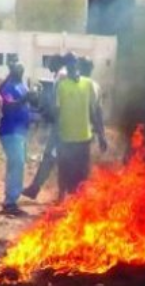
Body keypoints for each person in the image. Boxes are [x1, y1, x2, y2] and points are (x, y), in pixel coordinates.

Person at [55, 52, 107, 200]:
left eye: (75, 61)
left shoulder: (88, 84)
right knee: (64, 170)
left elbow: (94, 111)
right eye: (69, 62)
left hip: (84, 137)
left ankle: (78, 202)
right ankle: (61, 197)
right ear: (66, 65)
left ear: (78, 64)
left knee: (82, 174)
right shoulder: (61, 86)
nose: (72, 64)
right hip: (65, 138)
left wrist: (101, 135)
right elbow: (57, 112)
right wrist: (56, 135)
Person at [22, 54, 66, 200]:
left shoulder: (61, 76)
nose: (48, 65)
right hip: (60, 125)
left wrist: (46, 111)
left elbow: (58, 102)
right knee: (52, 158)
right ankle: (37, 188)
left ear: (57, 62)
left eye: (50, 62)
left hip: (62, 127)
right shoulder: (59, 75)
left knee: (53, 158)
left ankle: (54, 193)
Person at [0, 62, 31, 216]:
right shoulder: (7, 87)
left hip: (21, 132)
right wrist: (25, 99)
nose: (20, 69)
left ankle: (11, 200)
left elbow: (27, 108)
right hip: (10, 130)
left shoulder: (23, 86)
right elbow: (9, 106)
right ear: (12, 71)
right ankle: (10, 201)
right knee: (17, 163)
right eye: (17, 68)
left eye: (21, 67)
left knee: (18, 164)